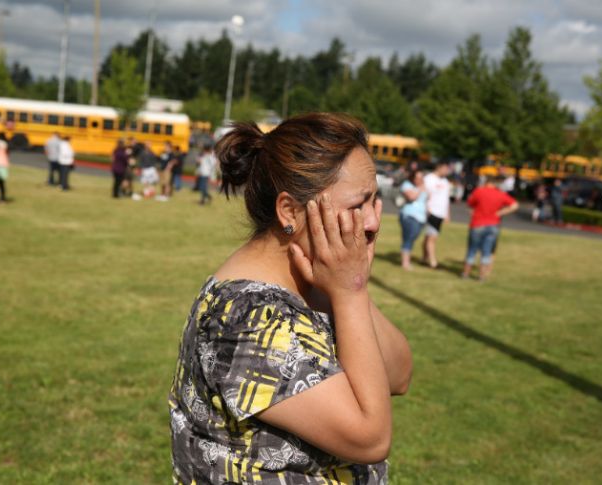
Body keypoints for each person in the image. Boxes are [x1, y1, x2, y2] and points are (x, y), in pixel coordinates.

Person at [168, 113, 412, 484]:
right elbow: (370, 439)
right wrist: (350, 292)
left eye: (374, 201)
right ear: (290, 212)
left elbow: (399, 376)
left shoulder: (316, 285)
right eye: (357, 205)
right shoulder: (245, 318)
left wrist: (352, 287)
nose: (373, 222)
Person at [461, 175, 519, 282]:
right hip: (493, 225)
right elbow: (515, 205)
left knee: (472, 250)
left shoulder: (479, 191)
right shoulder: (500, 194)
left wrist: (473, 211)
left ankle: (465, 274)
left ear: (486, 182)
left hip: (477, 224)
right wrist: (501, 212)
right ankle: (482, 276)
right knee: (487, 252)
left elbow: (469, 204)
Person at [422, 162, 451, 268]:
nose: (447, 171)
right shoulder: (428, 179)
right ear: (439, 167)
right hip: (431, 212)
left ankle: (424, 258)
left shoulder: (445, 181)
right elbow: (423, 194)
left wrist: (447, 213)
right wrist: (427, 208)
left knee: (429, 237)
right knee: (432, 237)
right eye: (445, 169)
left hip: (440, 213)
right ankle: (433, 261)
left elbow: (446, 199)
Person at [398, 168, 427, 270]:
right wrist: (420, 189)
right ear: (413, 178)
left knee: (412, 238)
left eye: (421, 178)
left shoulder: (424, 186)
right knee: (409, 238)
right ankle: (405, 263)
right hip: (409, 216)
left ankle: (406, 259)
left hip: (421, 217)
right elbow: (411, 197)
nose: (420, 180)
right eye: (417, 178)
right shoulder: (407, 185)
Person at [0, 132, 11, 202]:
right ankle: (2, 198)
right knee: (1, 182)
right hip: (3, 162)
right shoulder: (5, 143)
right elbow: (7, 153)